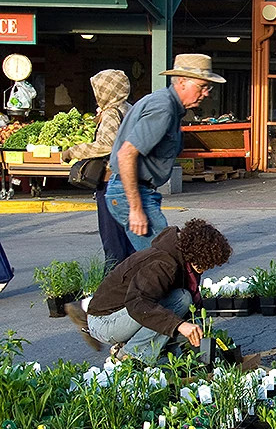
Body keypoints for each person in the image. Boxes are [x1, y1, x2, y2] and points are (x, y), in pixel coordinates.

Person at [65, 218, 231, 363]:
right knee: (180, 301)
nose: (207, 269)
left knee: (187, 316)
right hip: (105, 322)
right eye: (207, 264)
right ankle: (130, 355)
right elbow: (138, 304)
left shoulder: (181, 257)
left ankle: (144, 349)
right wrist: (179, 325)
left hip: (121, 316)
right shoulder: (163, 264)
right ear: (198, 255)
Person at [107, 54, 225, 251]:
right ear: (182, 82)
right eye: (202, 86)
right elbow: (126, 154)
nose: (206, 93)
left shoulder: (170, 107)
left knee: (143, 260)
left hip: (136, 191)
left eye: (209, 88)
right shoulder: (163, 108)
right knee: (165, 256)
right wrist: (136, 208)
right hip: (133, 192)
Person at [62, 69, 135, 271]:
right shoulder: (129, 108)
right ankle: (131, 279)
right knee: (128, 238)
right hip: (129, 178)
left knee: (113, 240)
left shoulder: (112, 113)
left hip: (111, 180)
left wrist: (73, 151)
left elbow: (106, 145)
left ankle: (112, 282)